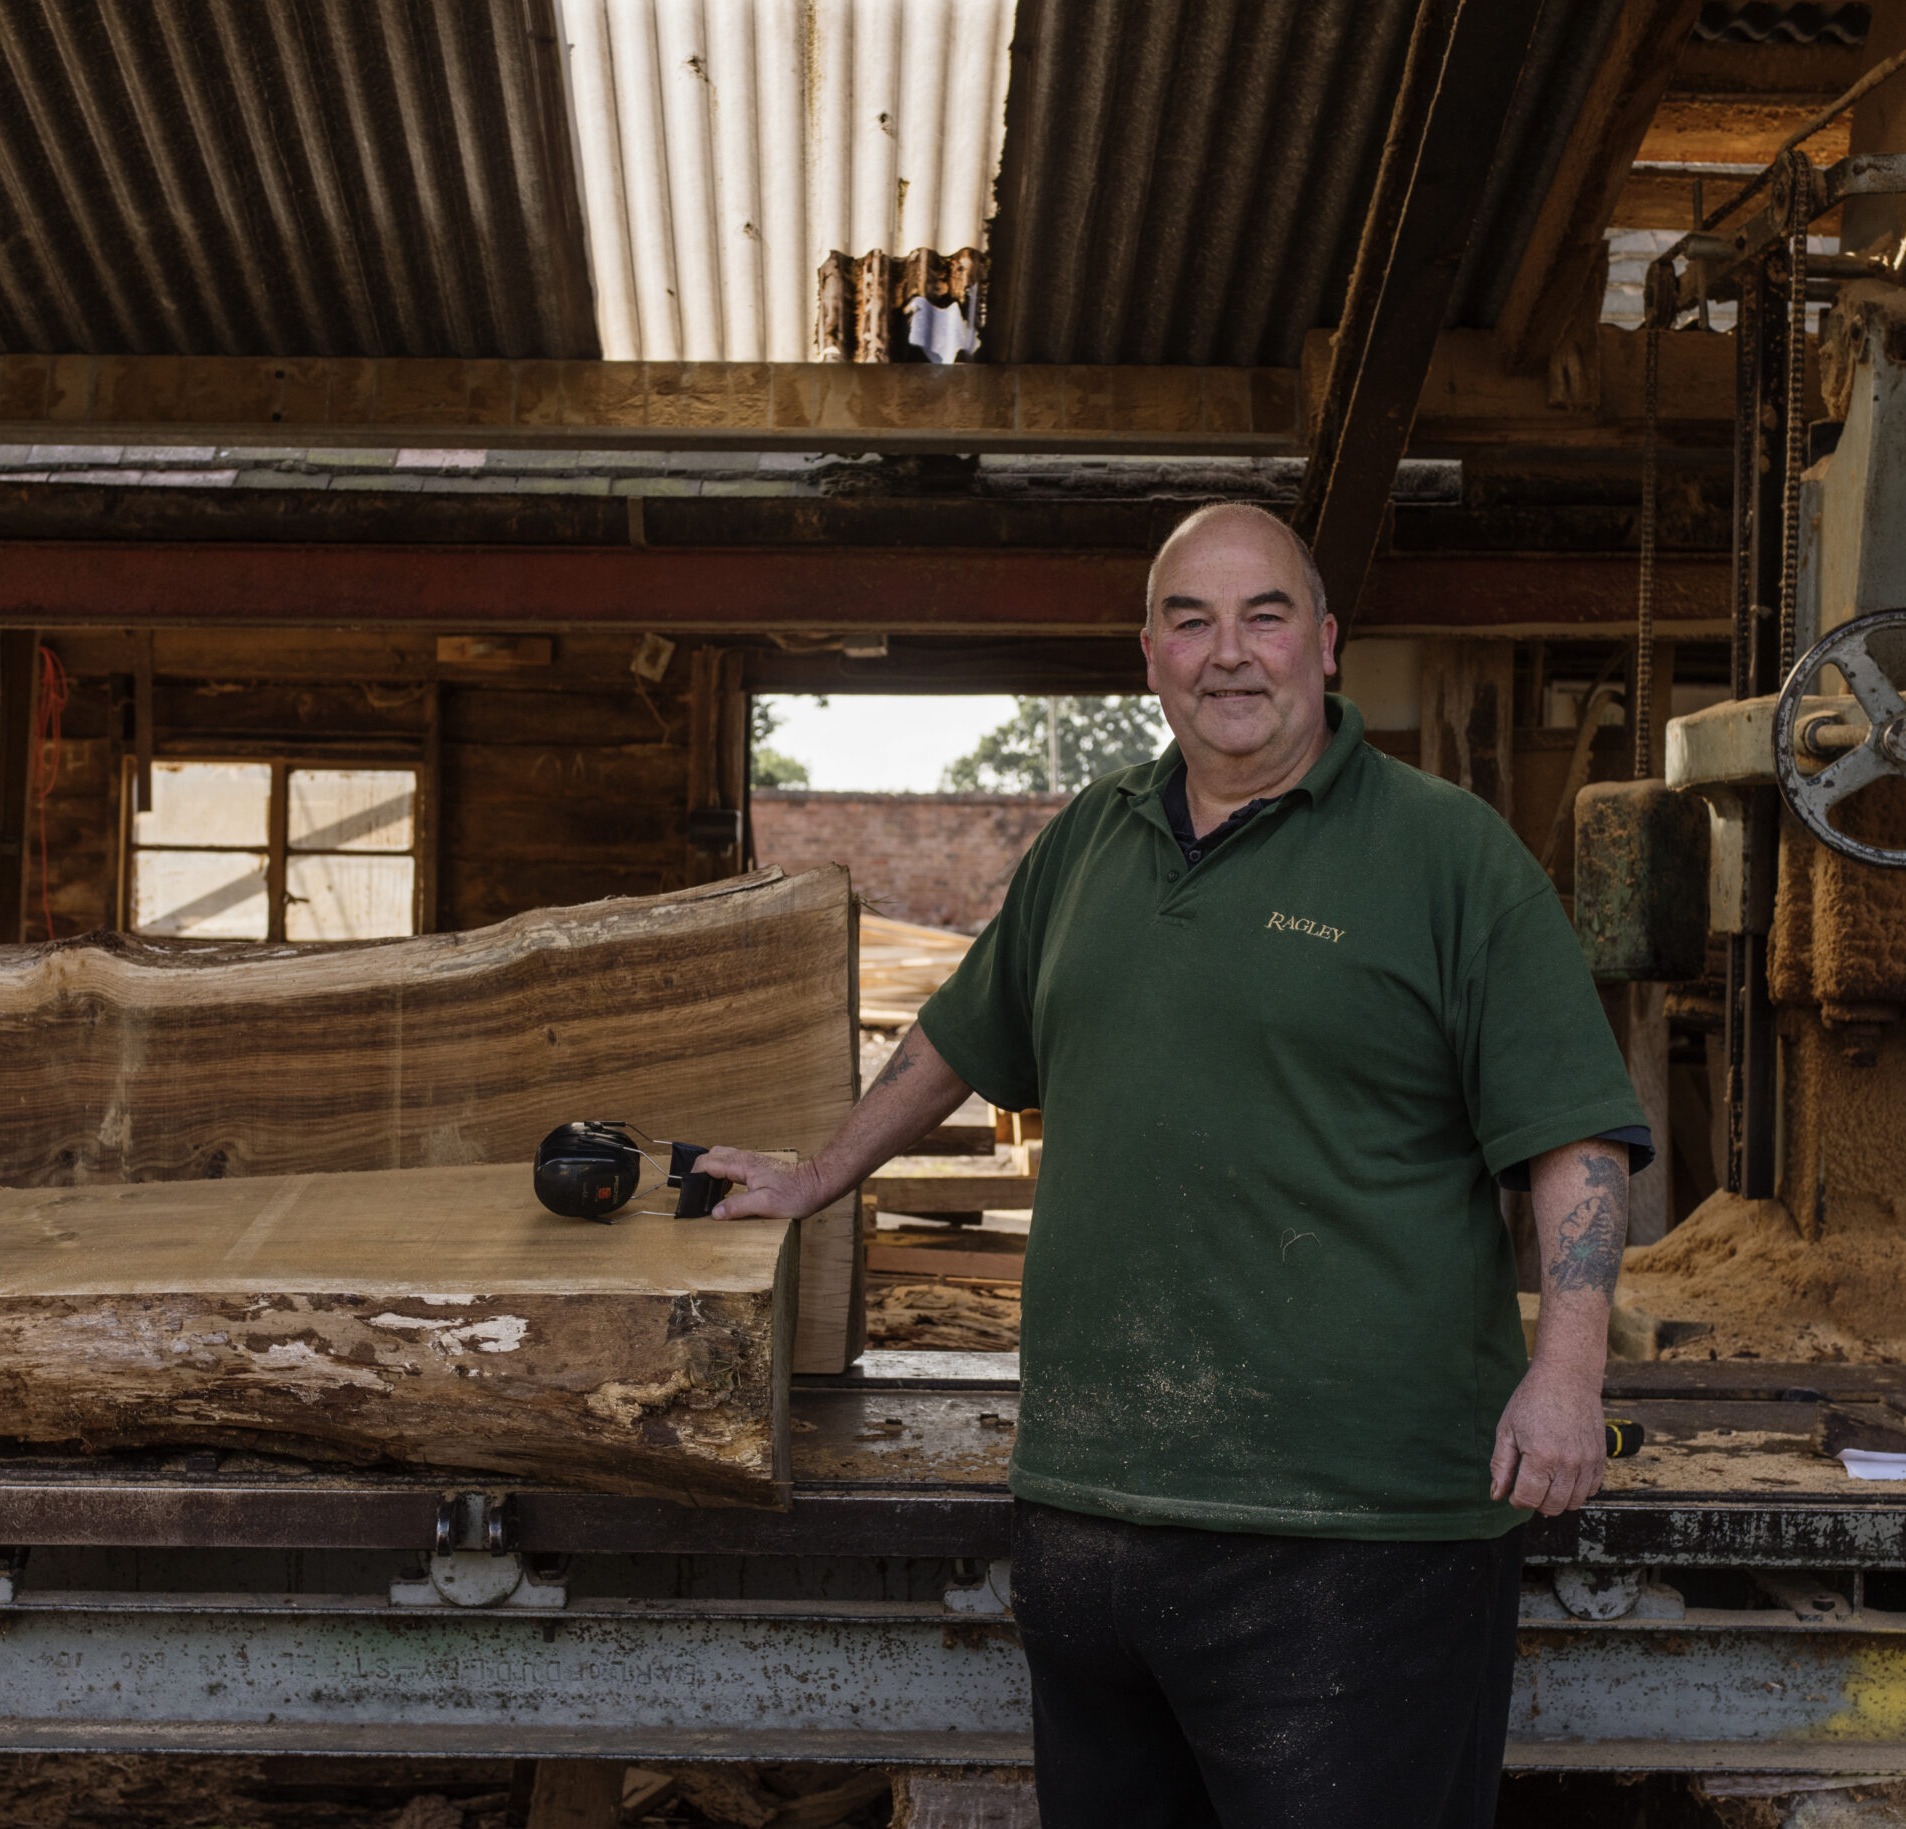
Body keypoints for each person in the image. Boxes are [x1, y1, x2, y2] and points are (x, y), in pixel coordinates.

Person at [702, 501, 1652, 1829]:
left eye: (1265, 615)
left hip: (1357, 1539)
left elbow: (1574, 1133)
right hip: (1091, 1523)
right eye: (1191, 620)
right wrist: (819, 1173)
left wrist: (1569, 1368)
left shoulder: (1449, 856)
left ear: (1326, 646)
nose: (1229, 652)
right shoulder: (1091, 842)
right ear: (1147, 655)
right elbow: (958, 1034)